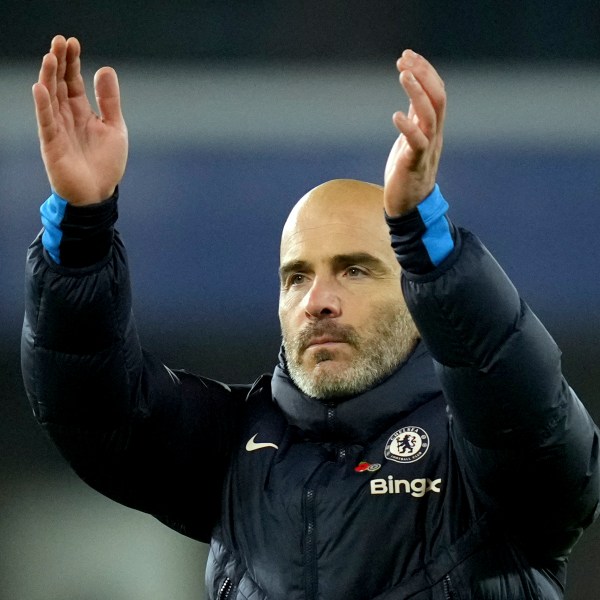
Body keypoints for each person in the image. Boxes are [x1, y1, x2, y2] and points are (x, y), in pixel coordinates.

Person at [21, 34, 600, 600]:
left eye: (355, 270)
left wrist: (426, 243)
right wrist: (81, 227)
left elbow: (539, 430)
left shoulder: (476, 448)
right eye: (297, 276)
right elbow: (92, 404)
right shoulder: (231, 448)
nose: (316, 300)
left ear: (420, 298)